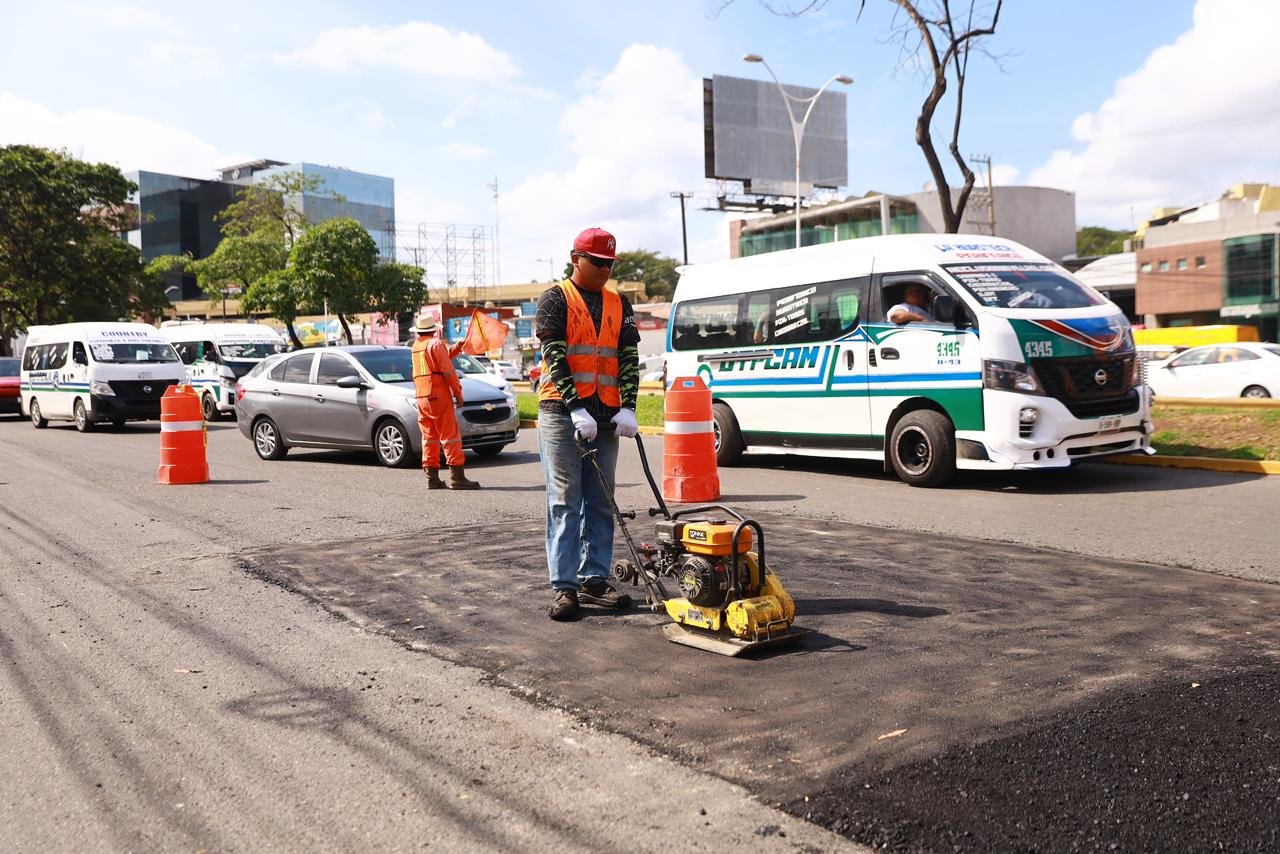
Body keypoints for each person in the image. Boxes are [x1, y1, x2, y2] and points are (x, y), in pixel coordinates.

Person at [536, 227, 642, 621]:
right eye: (597, 262)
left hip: (606, 416)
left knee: (601, 502)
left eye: (609, 264)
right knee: (566, 502)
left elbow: (628, 356)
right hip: (562, 415)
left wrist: (627, 407)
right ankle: (564, 587)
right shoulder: (555, 298)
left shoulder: (619, 302)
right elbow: (556, 355)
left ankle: (594, 577)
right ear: (575, 259)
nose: (604, 270)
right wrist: (576, 407)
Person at [410, 313, 479, 490]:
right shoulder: (436, 343)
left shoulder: (417, 346)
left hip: (422, 396)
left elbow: (438, 360)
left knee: (429, 438)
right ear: (434, 330)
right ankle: (457, 478)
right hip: (438, 395)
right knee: (450, 436)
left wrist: (457, 348)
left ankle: (431, 478)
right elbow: (448, 371)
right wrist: (458, 393)